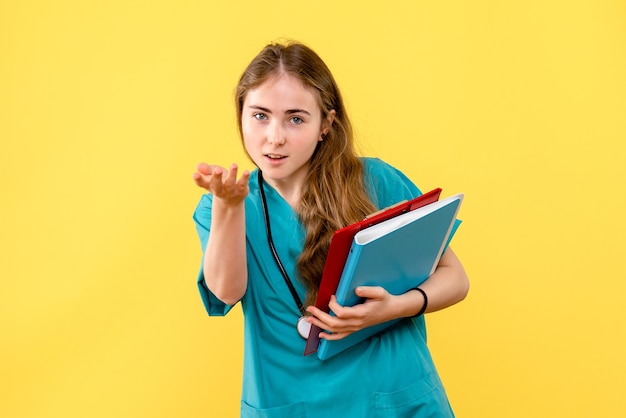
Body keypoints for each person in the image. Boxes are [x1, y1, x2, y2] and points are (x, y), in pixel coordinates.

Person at [192, 40, 469, 417]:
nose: (275, 137)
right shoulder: (224, 204)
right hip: (289, 402)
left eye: (296, 119)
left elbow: (455, 278)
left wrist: (393, 308)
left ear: (326, 124)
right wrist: (228, 207)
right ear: (240, 115)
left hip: (395, 397)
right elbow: (225, 293)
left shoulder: (376, 180)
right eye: (260, 115)